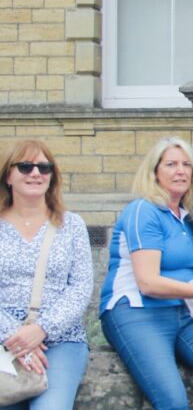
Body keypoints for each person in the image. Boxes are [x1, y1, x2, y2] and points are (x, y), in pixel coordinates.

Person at [99, 137, 193, 410]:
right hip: (138, 312)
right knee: (173, 401)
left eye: (187, 165)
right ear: (155, 171)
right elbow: (148, 283)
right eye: (171, 164)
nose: (180, 171)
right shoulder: (143, 210)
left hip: (184, 312)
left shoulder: (187, 216)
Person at [0, 140, 91, 410]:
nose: (36, 173)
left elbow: (81, 286)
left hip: (60, 338)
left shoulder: (71, 225)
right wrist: (17, 337)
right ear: (8, 175)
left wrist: (42, 329)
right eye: (25, 166)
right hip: (4, 336)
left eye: (44, 167)